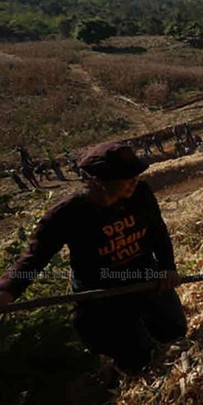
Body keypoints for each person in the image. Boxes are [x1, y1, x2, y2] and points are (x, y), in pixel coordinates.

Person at [0, 142, 187, 370]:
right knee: (137, 359)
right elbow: (35, 256)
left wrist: (167, 267)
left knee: (174, 330)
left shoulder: (141, 194)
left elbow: (158, 231)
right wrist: (7, 289)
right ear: (100, 181)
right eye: (126, 177)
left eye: (135, 175)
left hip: (144, 275)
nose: (134, 181)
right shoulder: (67, 214)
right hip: (102, 291)